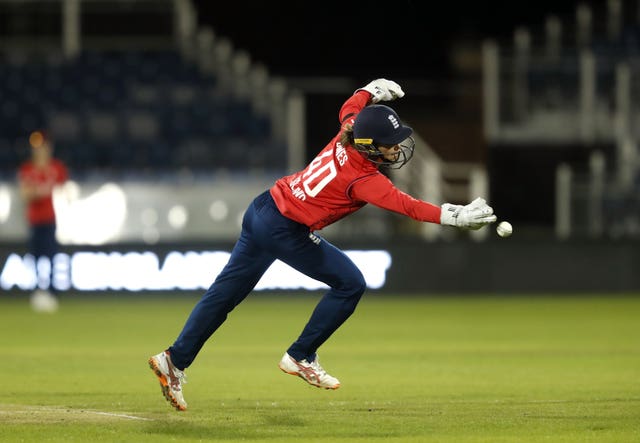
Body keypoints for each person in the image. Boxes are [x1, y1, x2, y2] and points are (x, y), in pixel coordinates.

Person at [148, 79, 497, 411]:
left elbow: (352, 105)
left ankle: (173, 359)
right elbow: (409, 206)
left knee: (222, 297)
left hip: (263, 208)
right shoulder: (364, 178)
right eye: (389, 142)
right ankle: (301, 355)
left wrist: (370, 90)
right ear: (368, 145)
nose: (396, 147)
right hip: (285, 229)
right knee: (350, 283)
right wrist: (454, 216)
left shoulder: (348, 130)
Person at [17, 130, 69, 312]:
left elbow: (66, 192)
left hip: (51, 219)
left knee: (52, 256)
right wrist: (38, 192)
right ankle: (38, 290)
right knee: (36, 257)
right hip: (34, 220)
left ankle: (53, 292)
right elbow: (24, 194)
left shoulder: (56, 168)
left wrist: (38, 191)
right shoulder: (27, 169)